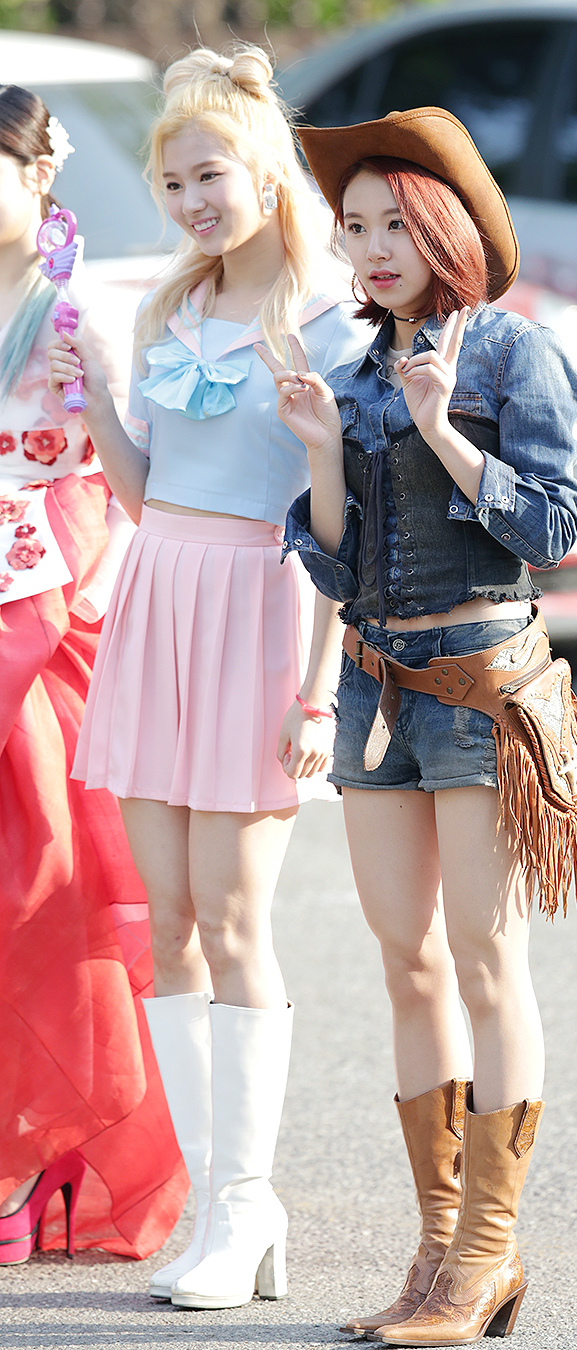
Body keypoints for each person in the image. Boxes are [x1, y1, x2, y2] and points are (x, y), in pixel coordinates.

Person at [258, 107, 577, 1346]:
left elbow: (551, 531)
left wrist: (445, 428)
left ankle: (488, 1252)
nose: (373, 248)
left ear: (446, 226)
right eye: (355, 228)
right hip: (375, 693)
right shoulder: (352, 374)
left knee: (485, 959)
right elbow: (335, 568)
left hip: (483, 689)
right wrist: (322, 456)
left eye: (396, 224)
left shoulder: (512, 353)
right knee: (406, 962)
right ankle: (439, 1244)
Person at [48, 47, 368, 1310]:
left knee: (236, 922)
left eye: (209, 175)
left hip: (256, 614)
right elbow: (143, 494)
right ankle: (212, 1207)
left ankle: (246, 1204)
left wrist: (316, 692)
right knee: (167, 921)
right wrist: (98, 396)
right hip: (157, 602)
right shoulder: (162, 311)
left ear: (264, 171)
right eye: (172, 182)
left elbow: (339, 535)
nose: (190, 201)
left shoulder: (330, 319)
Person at [0, 85, 190, 1261]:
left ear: (39, 177)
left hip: (49, 614)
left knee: (48, 893)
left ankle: (37, 1156)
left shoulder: (79, 317)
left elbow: (130, 492)